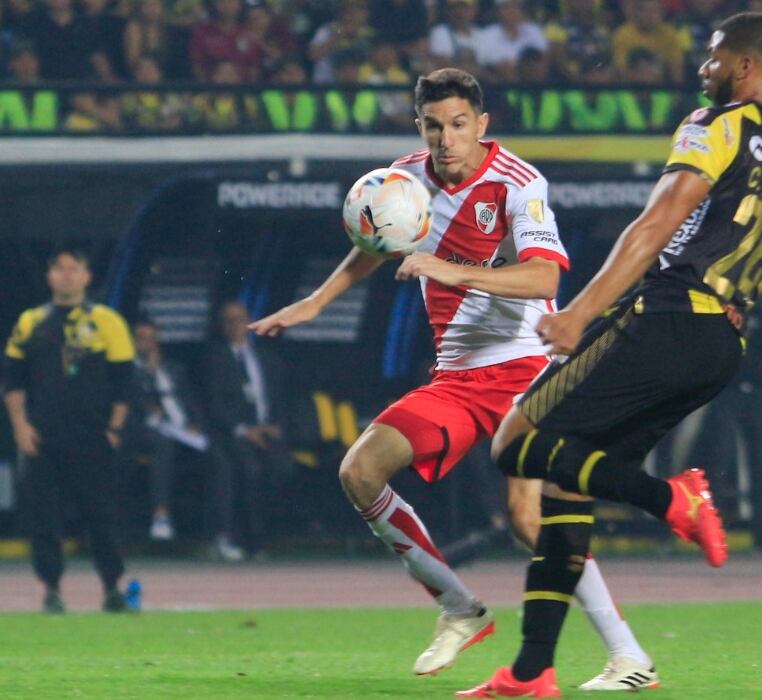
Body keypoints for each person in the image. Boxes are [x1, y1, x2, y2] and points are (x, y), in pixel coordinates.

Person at [461, 12, 762, 697]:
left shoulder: (717, 125)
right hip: (721, 344)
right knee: (569, 485)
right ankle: (530, 672)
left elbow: (655, 224)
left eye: (712, 56)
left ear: (746, 68)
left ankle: (672, 498)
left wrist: (579, 312)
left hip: (669, 315)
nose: (702, 69)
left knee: (514, 442)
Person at [249, 68, 658, 689]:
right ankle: (459, 607)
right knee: (359, 471)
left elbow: (545, 279)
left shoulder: (520, 183)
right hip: (457, 379)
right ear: (420, 126)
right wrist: (316, 302)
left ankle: (628, 656)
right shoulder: (404, 177)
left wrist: (448, 269)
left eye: (459, 125)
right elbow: (376, 239)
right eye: (434, 126)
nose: (446, 139)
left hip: (528, 370)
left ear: (482, 125)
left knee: (528, 516)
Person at [3, 249, 135, 614]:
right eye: (59, 268)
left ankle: (112, 587)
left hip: (92, 436)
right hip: (42, 436)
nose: (66, 275)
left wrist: (114, 430)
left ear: (86, 276)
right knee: (44, 518)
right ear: (49, 277)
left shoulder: (107, 321)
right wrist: (20, 426)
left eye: (73, 268)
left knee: (101, 515)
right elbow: (12, 379)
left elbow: (124, 381)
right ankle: (52, 589)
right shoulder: (31, 321)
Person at [124, 317, 238, 553]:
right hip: (149, 433)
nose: (146, 344)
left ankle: (221, 534)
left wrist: (195, 423)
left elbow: (192, 402)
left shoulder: (174, 369)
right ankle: (161, 515)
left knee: (219, 459)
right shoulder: (129, 371)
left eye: (150, 339)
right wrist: (149, 374)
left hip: (184, 432)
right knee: (163, 444)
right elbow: (133, 407)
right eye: (141, 339)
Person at [203, 300, 289, 560]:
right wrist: (244, 430)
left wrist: (275, 427)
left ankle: (264, 533)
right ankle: (246, 537)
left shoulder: (265, 358)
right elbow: (214, 403)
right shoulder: (214, 359)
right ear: (221, 326)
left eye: (240, 319)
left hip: (267, 432)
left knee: (283, 468)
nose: (235, 326)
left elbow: (279, 397)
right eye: (229, 320)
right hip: (234, 434)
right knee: (247, 469)